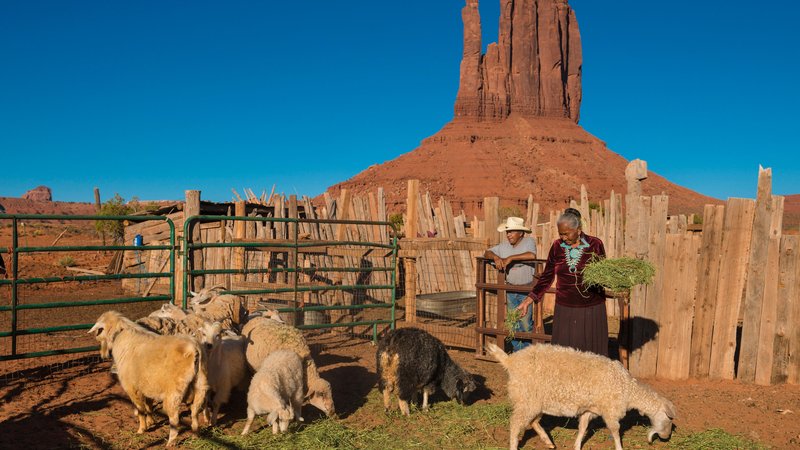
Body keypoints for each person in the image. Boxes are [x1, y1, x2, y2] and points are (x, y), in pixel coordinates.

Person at [518, 208, 609, 356]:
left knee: (591, 356)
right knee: (565, 356)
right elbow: (547, 276)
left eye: (566, 233)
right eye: (560, 233)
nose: (563, 237)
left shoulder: (595, 244)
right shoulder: (557, 246)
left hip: (591, 308)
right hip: (565, 308)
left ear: (578, 230)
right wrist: (529, 299)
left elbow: (604, 273)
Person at [484, 216, 537, 352]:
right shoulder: (503, 246)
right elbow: (487, 252)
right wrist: (495, 257)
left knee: (525, 322)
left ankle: (527, 352)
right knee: (513, 322)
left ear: (521, 233)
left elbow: (532, 255)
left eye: (512, 231)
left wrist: (511, 258)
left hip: (526, 289)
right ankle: (517, 351)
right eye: (508, 232)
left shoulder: (528, 242)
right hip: (511, 289)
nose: (508, 234)